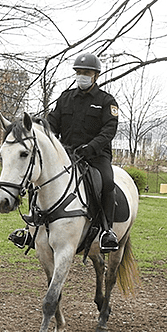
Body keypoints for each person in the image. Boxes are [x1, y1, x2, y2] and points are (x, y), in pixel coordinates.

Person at [47, 52, 120, 251]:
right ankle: (32, 227)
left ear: (95, 76)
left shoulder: (106, 101)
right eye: (79, 72)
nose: (82, 76)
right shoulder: (65, 98)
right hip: (67, 156)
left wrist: (91, 148)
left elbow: (109, 130)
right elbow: (52, 123)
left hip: (96, 156)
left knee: (107, 182)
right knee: (40, 179)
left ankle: (107, 231)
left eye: (86, 72)